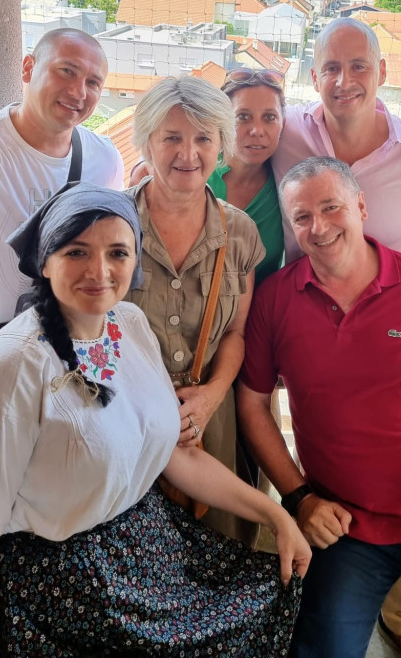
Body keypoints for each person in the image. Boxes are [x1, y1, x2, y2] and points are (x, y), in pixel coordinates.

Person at [0, 183, 310, 658]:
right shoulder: (11, 372)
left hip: (148, 548)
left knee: (273, 587)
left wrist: (276, 516)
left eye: (117, 252)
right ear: (45, 262)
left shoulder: (128, 323)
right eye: (76, 252)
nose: (99, 271)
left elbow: (175, 456)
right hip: (70, 587)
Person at [237, 157, 401, 658]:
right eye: (302, 217)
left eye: (331, 207)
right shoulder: (275, 300)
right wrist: (300, 499)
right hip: (346, 527)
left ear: (361, 206)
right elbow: (252, 405)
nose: (319, 227)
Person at [127, 76, 265, 544]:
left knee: (215, 556)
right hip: (126, 422)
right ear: (147, 141)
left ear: (221, 145)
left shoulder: (240, 232)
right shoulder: (110, 223)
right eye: (172, 137)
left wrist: (209, 398)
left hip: (206, 427)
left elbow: (236, 333)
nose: (188, 154)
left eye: (204, 138)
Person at [271, 16, 401, 312]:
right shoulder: (285, 131)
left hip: (387, 317)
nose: (344, 82)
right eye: (332, 68)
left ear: (381, 72)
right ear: (315, 78)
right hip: (301, 314)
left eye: (359, 66)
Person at [0, 28, 123, 333]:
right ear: (28, 68)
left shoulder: (105, 159)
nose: (78, 92)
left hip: (66, 344)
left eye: (93, 82)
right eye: (66, 71)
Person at [208, 67, 286, 285]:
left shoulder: (285, 184)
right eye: (243, 117)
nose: (257, 130)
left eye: (269, 117)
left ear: (283, 123)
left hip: (261, 305)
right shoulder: (198, 174)